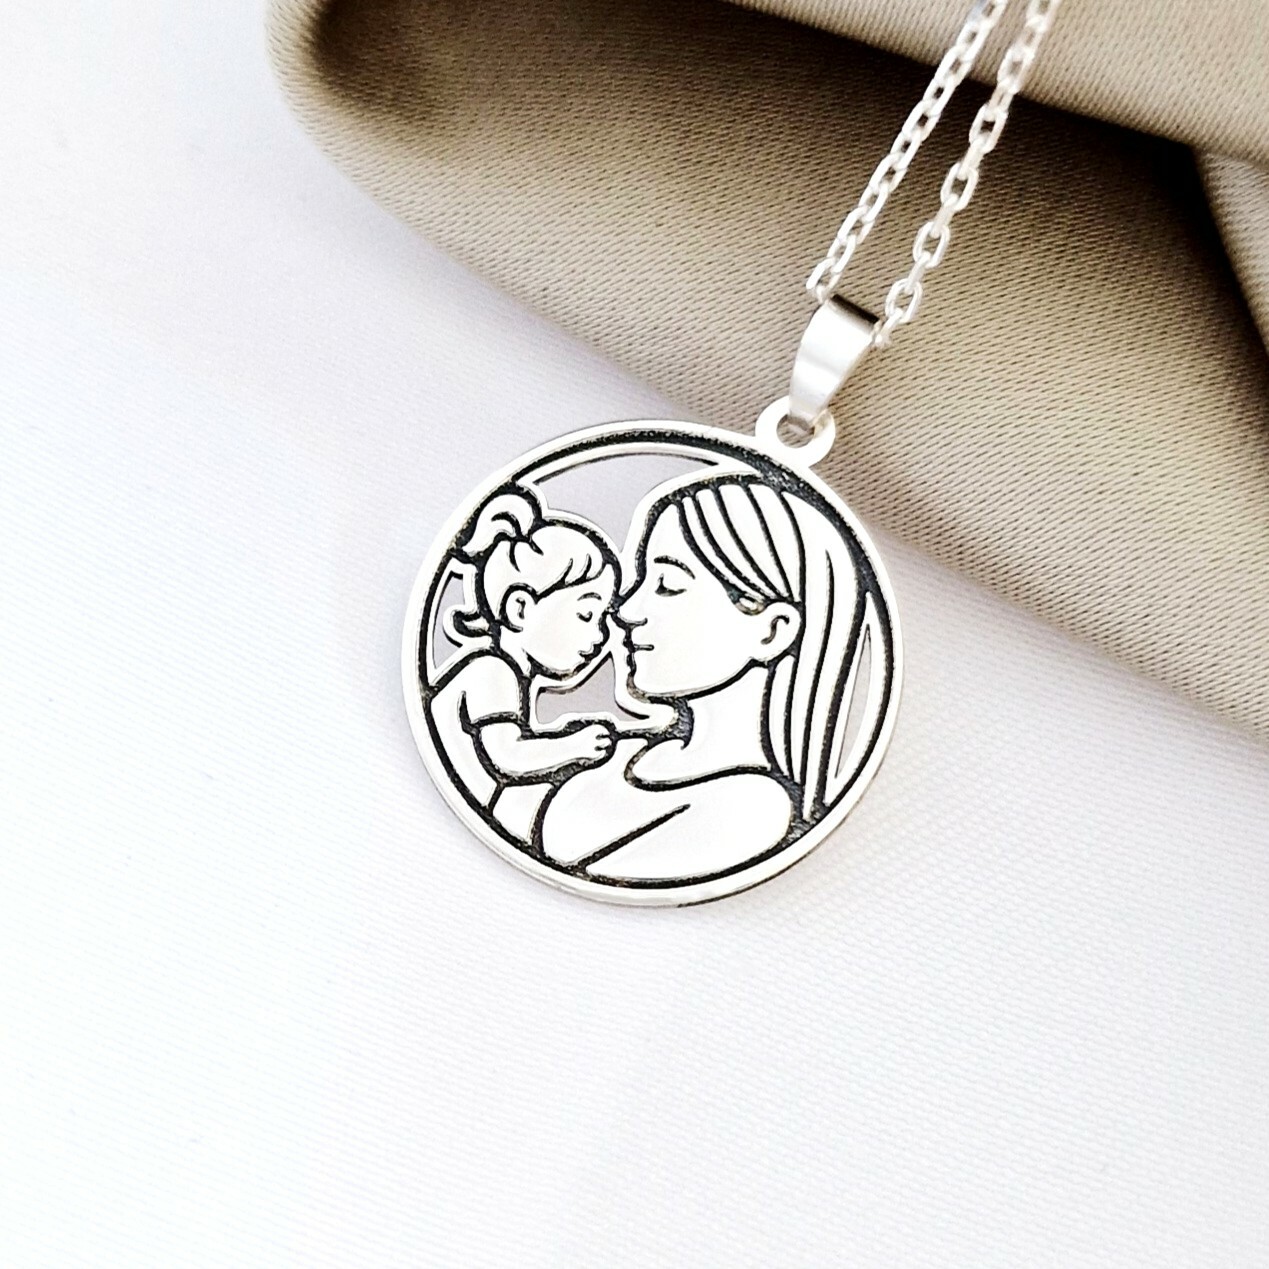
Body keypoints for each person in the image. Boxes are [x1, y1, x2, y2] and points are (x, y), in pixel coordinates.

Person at [539, 472, 881, 882]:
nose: (626, 610)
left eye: (667, 585)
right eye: (641, 581)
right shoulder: (614, 751)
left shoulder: (752, 809)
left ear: (772, 631)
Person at [428, 486, 620, 842]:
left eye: (602, 618)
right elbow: (506, 756)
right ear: (520, 608)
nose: (601, 635)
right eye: (586, 614)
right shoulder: (492, 671)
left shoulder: (508, 674)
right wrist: (574, 746)